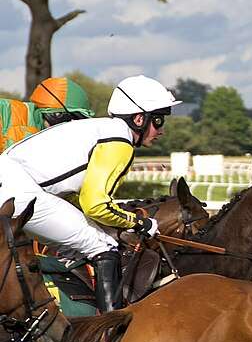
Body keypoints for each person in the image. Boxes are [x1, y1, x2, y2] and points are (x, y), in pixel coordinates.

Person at [0, 75, 176, 310]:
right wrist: (138, 223)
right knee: (104, 246)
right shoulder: (120, 142)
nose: (161, 130)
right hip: (20, 191)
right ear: (139, 118)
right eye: (158, 120)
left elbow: (79, 199)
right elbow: (96, 205)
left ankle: (73, 310)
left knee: (75, 247)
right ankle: (109, 325)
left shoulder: (100, 129)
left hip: (15, 185)